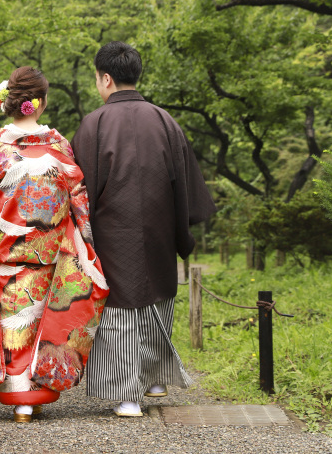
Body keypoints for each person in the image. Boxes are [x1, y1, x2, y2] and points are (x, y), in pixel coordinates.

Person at [0, 66, 109, 423]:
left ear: (8, 102)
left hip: (6, 254)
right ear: (42, 102)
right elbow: (79, 200)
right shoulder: (60, 148)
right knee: (41, 321)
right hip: (48, 254)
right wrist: (78, 237)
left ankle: (17, 396)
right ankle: (34, 394)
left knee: (10, 324)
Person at [71, 41, 216, 417]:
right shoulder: (165, 120)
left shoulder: (94, 124)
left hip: (111, 236)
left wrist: (78, 238)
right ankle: (154, 379)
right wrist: (179, 229)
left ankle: (127, 397)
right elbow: (185, 184)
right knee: (155, 302)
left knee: (119, 313)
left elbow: (78, 188)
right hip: (159, 231)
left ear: (105, 78)